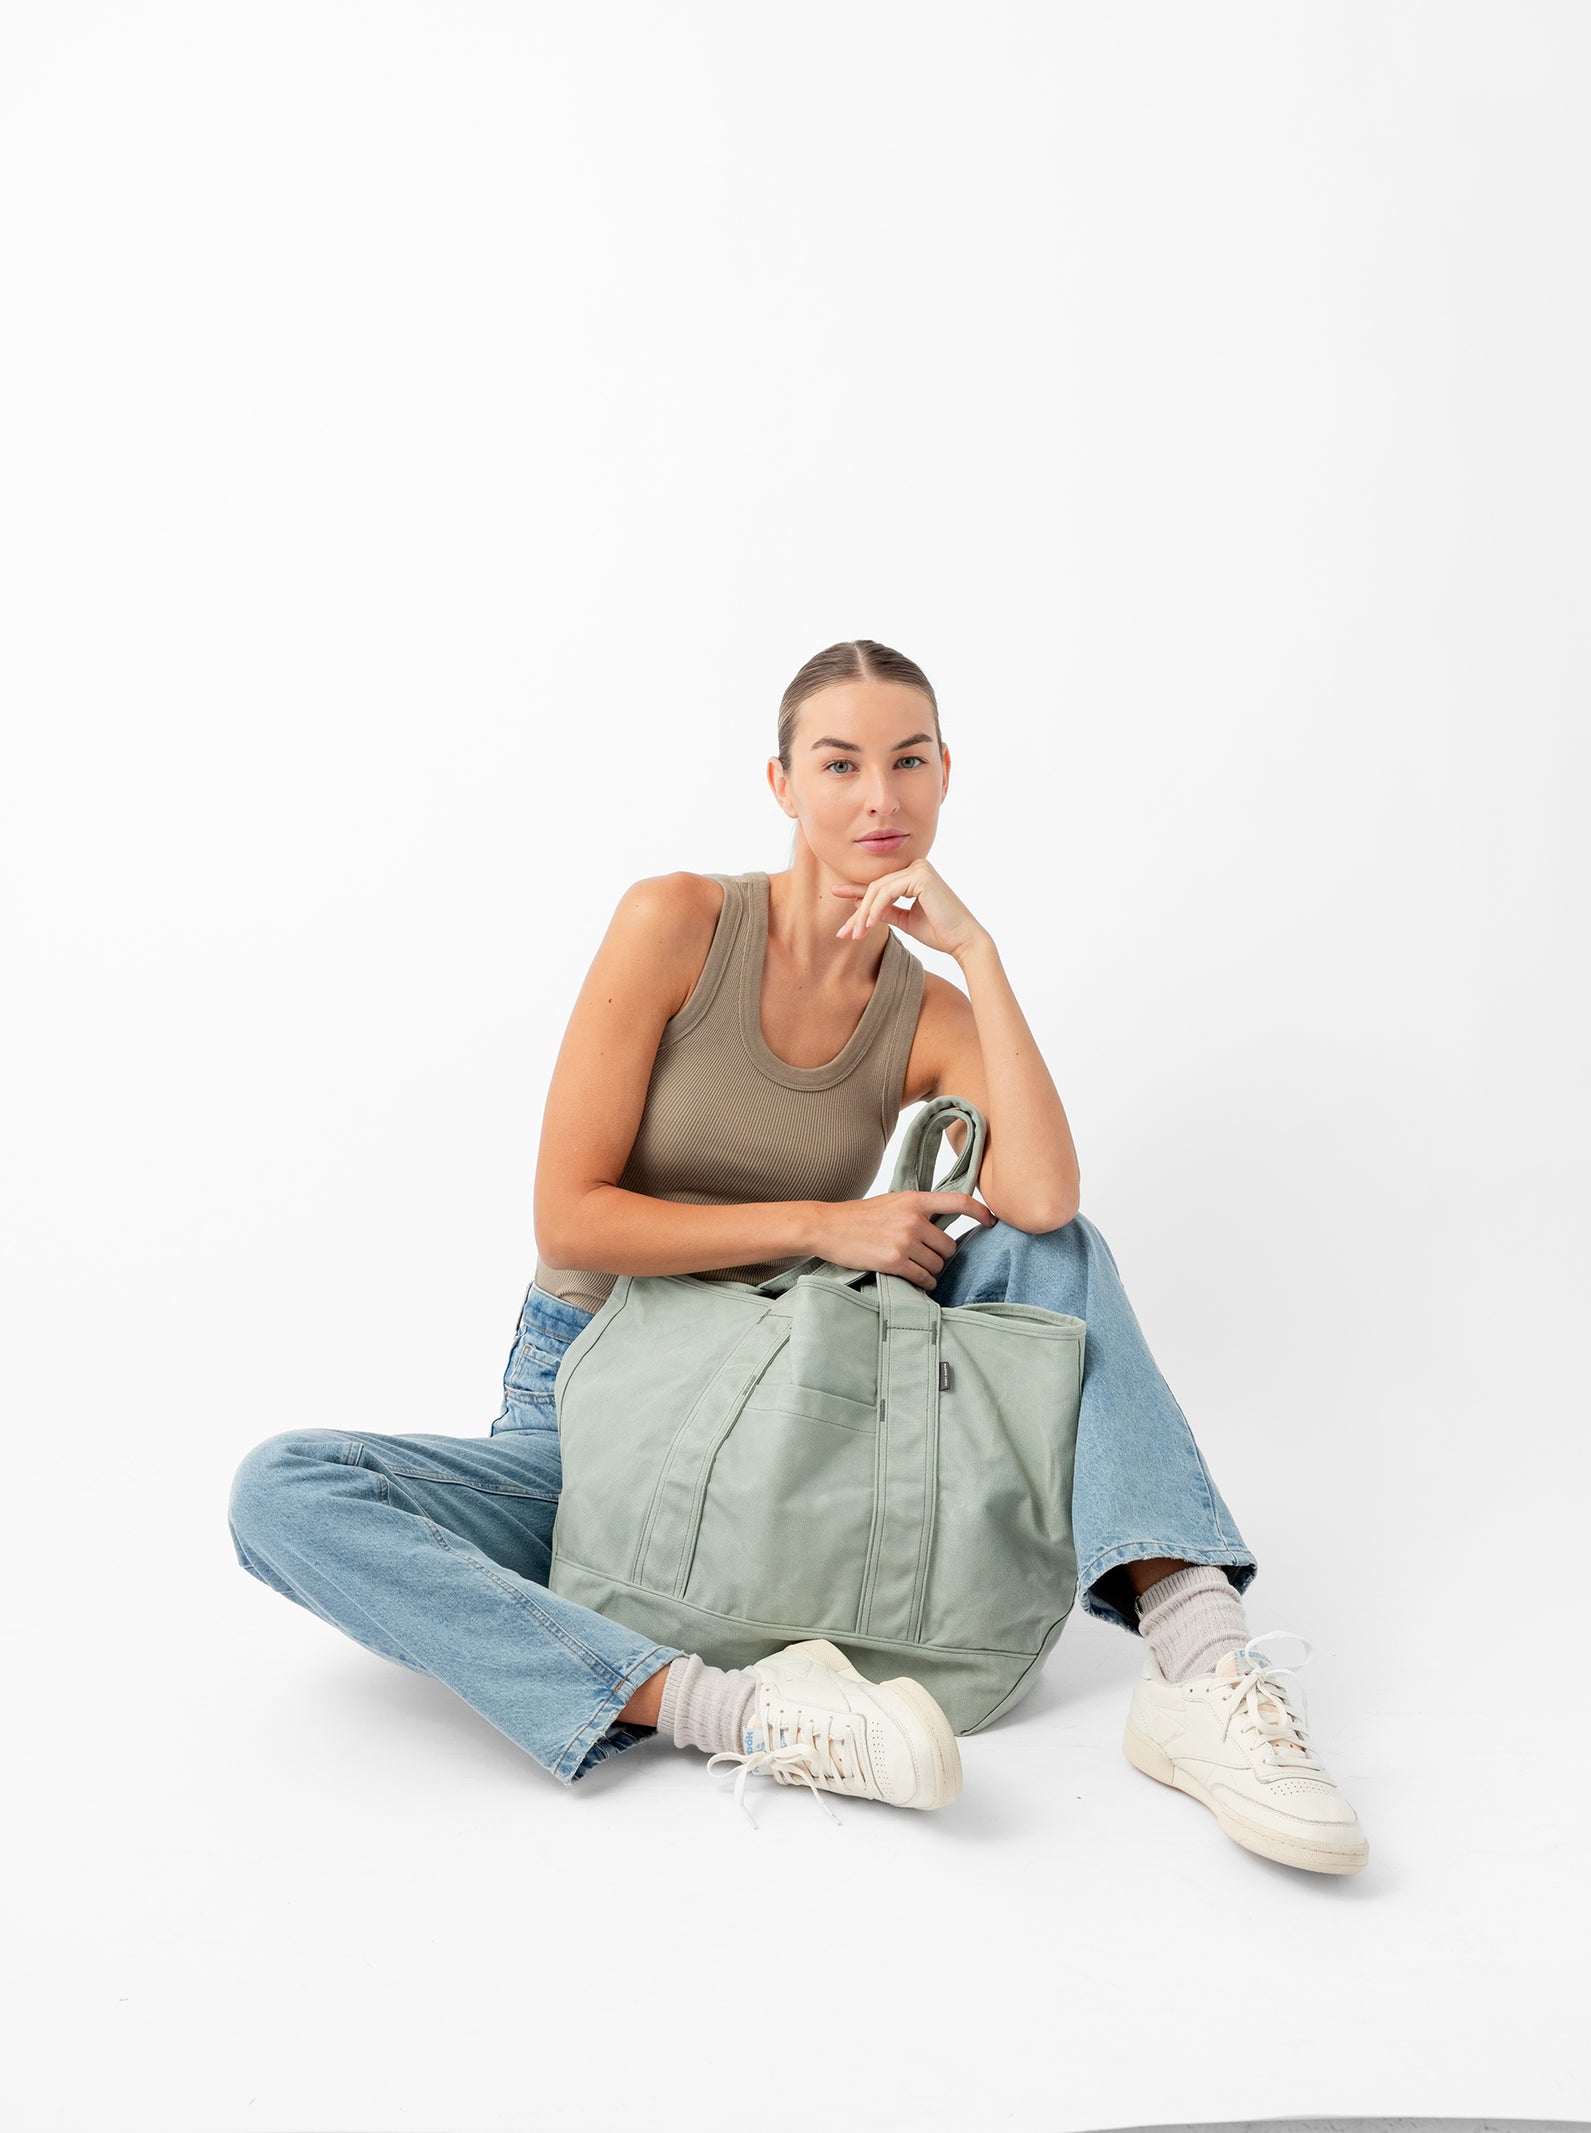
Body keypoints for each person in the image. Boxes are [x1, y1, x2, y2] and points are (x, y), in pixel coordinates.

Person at [227, 638, 1369, 1873]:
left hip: (787, 1390)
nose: (879, 799)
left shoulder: (927, 1009)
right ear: (781, 784)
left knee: (1054, 1254)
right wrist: (828, 1225)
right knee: (285, 1490)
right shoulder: (677, 920)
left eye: (908, 762)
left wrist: (976, 956)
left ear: (943, 778)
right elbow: (572, 1219)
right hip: (598, 1391)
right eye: (840, 764)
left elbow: (1041, 1198)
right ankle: (738, 1712)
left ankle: (1202, 1671)